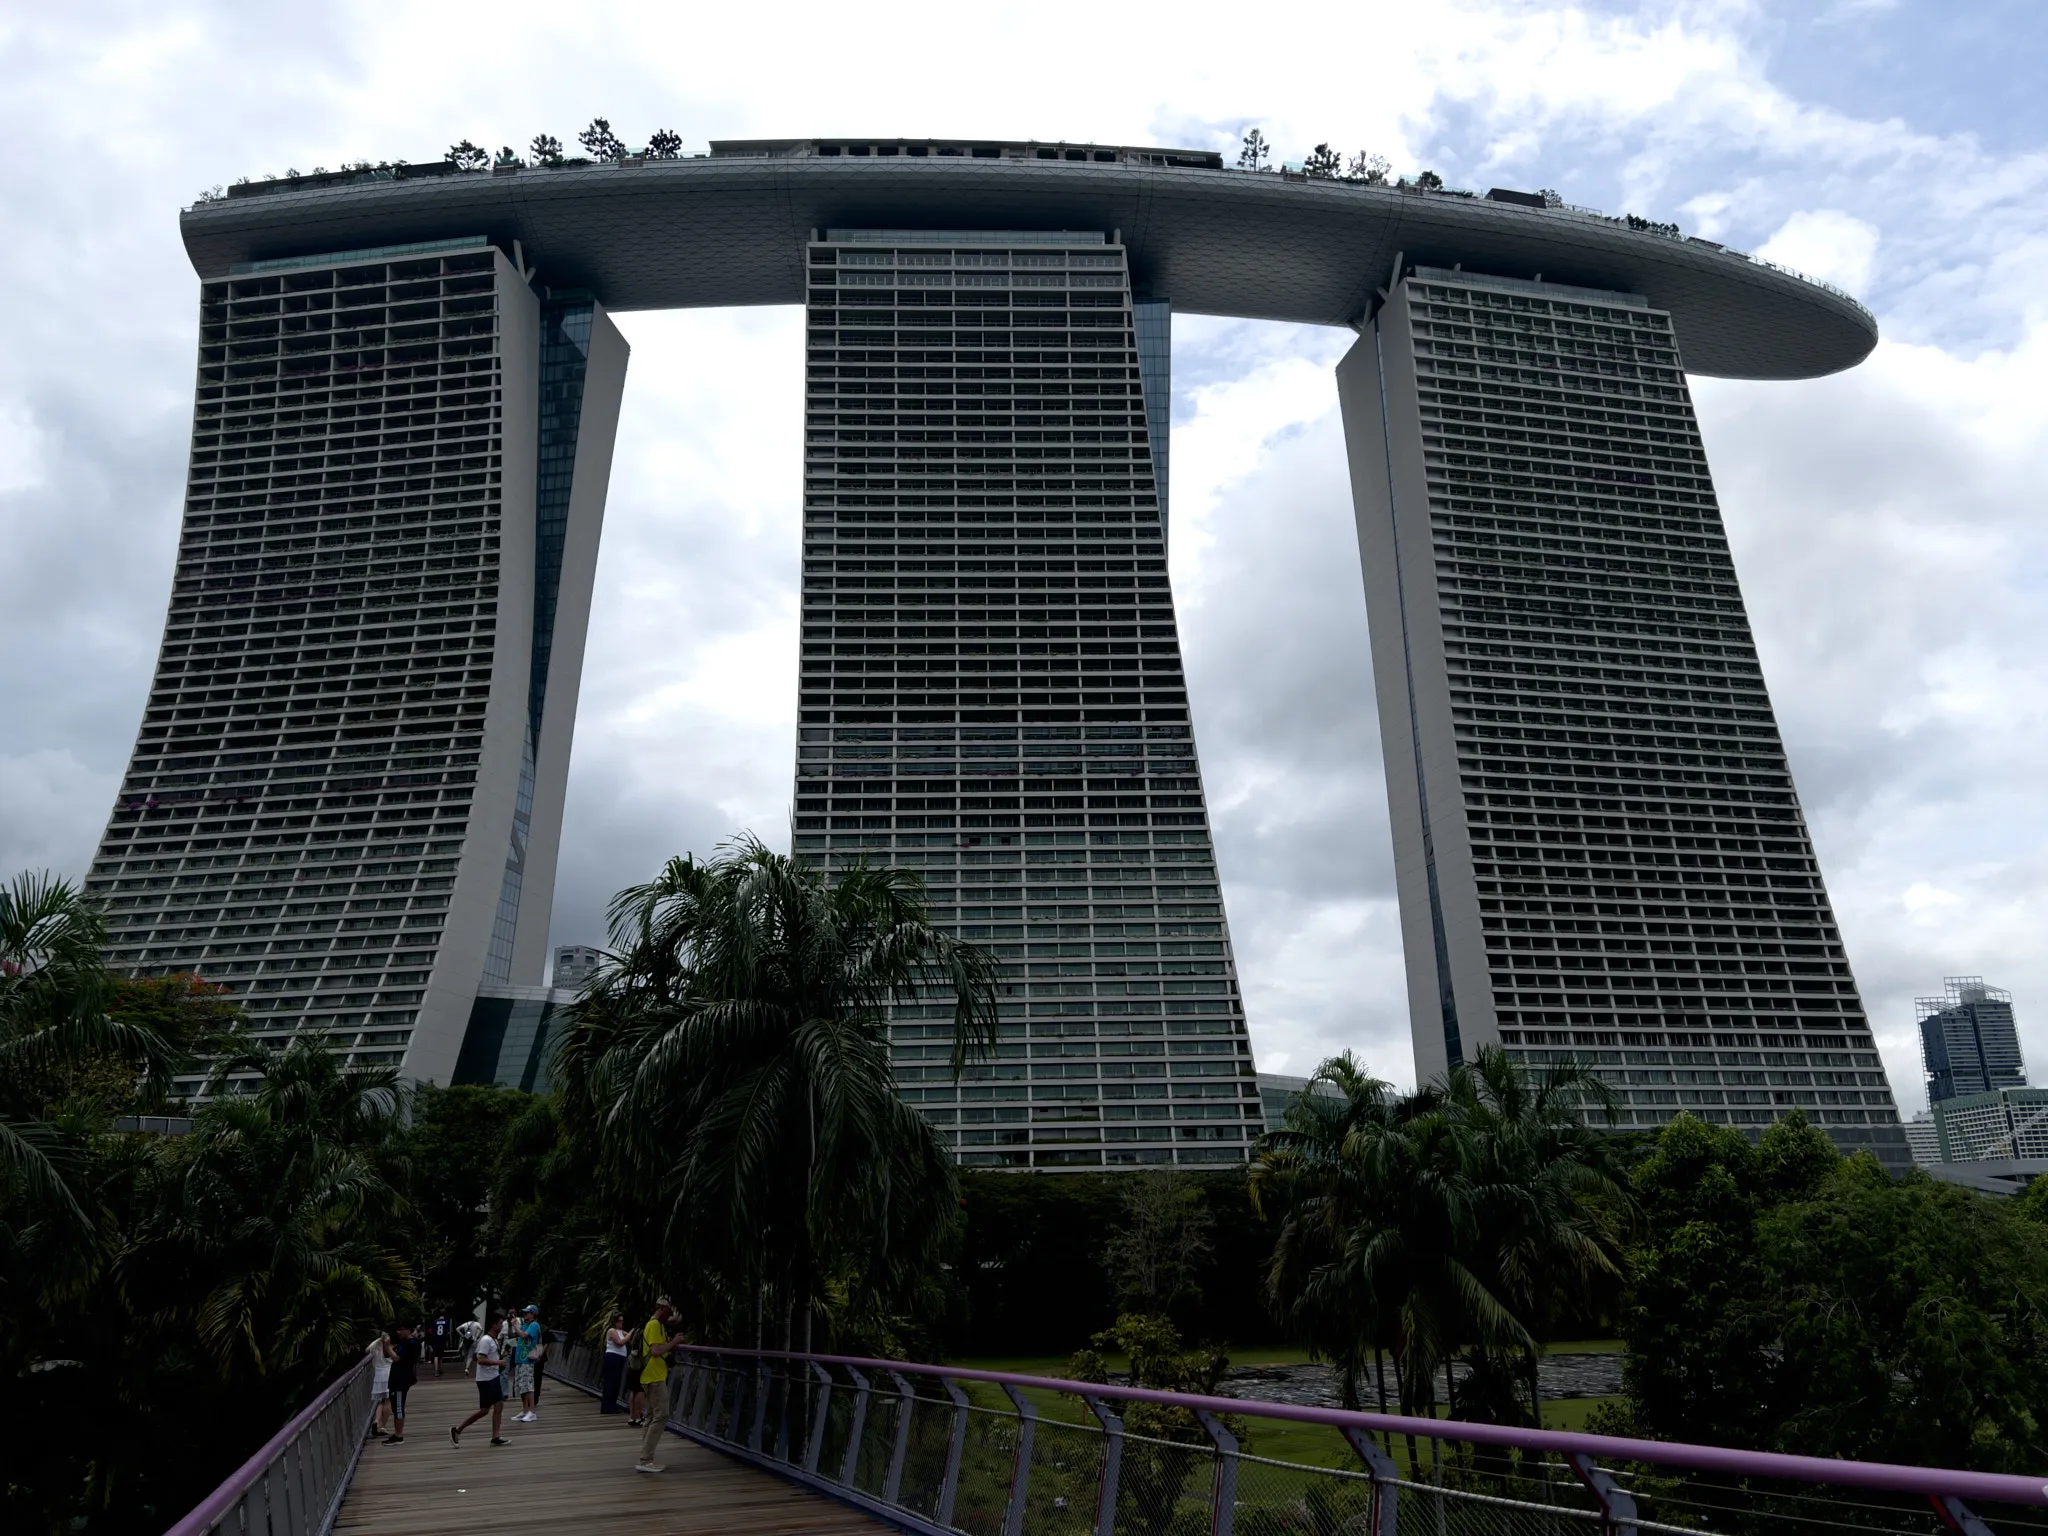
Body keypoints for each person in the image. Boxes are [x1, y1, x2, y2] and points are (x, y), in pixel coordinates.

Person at [634, 1297, 683, 1474]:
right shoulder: (654, 1325)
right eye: (668, 1312)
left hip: (651, 1376)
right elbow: (655, 1351)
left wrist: (671, 1344)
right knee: (662, 1415)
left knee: (650, 1416)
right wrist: (674, 1342)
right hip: (654, 1377)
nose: (669, 1317)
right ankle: (646, 1459)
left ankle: (645, 1457)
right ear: (662, 1309)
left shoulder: (657, 1325)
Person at [452, 1318, 510, 1446]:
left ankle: (496, 1436)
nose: (502, 1325)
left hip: (494, 1377)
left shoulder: (494, 1340)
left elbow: (492, 1357)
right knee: (484, 1410)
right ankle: (457, 1430)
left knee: (499, 1405)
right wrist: (499, 1362)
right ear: (493, 1325)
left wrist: (503, 1355)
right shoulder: (486, 1340)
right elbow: (480, 1360)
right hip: (485, 1380)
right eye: (500, 1323)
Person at [383, 1322, 422, 1444]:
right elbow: (387, 1355)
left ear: (409, 1330)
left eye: (401, 1329)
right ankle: (396, 1433)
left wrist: (388, 1346)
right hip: (396, 1378)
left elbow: (396, 1358)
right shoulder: (402, 1342)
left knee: (399, 1407)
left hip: (402, 1379)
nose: (398, 1332)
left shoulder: (411, 1343)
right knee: (395, 1406)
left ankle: (399, 1436)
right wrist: (386, 1345)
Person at [512, 1304, 542, 1423]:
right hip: (519, 1359)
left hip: (527, 1359)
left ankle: (532, 1411)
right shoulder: (525, 1325)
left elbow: (523, 1335)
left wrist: (515, 1325)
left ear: (533, 1314)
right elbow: (519, 1333)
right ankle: (524, 1410)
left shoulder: (534, 1325)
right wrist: (517, 1325)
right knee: (521, 1385)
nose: (525, 1315)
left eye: (527, 1313)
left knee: (528, 1385)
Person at [599, 1312, 631, 1415]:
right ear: (615, 1321)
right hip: (612, 1357)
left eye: (622, 1321)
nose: (621, 1323)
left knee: (616, 1382)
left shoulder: (621, 1331)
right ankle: (606, 1406)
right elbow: (620, 1342)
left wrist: (633, 1332)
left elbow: (629, 1336)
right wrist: (631, 1333)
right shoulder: (611, 1331)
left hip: (620, 1358)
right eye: (619, 1321)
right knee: (610, 1382)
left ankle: (612, 1405)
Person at [366, 1331, 393, 1439]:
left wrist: (379, 1340)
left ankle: (376, 1420)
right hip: (388, 1374)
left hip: (378, 1375)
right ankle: (383, 1427)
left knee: (380, 1401)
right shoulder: (388, 1348)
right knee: (388, 1401)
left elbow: (367, 1350)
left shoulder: (375, 1348)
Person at [429, 1312, 453, 1377]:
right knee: (441, 1355)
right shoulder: (446, 1322)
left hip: (435, 1340)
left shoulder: (435, 1322)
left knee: (436, 1355)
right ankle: (440, 1369)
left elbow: (431, 1331)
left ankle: (436, 1370)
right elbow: (448, 1332)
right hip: (443, 1340)